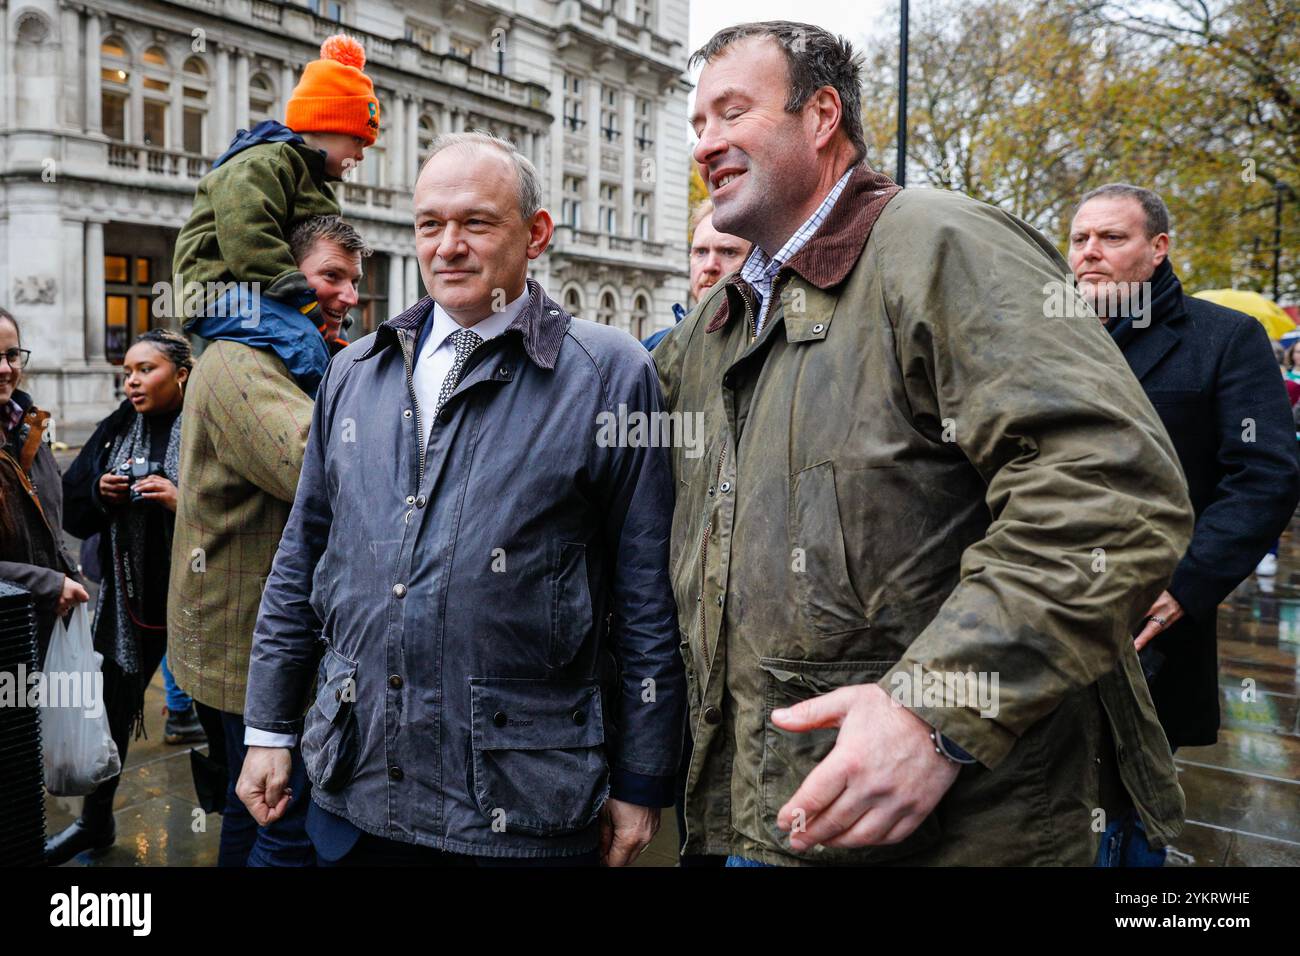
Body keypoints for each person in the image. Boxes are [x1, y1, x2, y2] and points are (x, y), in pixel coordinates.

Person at [653, 21, 1195, 866]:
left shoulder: (939, 243)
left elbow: (1110, 489)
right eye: (697, 124)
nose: (707, 143)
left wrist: (929, 712)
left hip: (964, 832)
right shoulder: (723, 318)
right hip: (776, 820)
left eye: (731, 113)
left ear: (822, 114)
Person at [237, 131, 685, 867]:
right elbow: (303, 557)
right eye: (429, 224)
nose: (448, 246)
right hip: (358, 793)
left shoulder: (608, 374)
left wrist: (642, 777)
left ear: (535, 233)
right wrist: (268, 728)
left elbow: (644, 594)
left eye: (476, 222)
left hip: (522, 806)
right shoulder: (355, 371)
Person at [1068, 184, 1300, 863]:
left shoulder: (1222, 338)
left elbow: (1265, 475)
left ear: (1158, 247)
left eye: (1112, 238)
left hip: (1151, 620)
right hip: (1043, 604)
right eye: (1081, 239)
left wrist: (1187, 586)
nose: (1091, 253)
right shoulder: (1043, 334)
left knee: (1133, 796)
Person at [167, 214, 370, 867]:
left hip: (257, 639)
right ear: (283, 275)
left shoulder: (295, 354)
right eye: (331, 276)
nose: (349, 295)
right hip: (248, 644)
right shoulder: (239, 362)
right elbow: (317, 462)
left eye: (355, 281)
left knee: (249, 807)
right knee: (285, 824)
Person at [47, 330, 193, 865]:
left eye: (146, 369)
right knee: (112, 711)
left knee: (224, 724)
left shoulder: (205, 422)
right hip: (132, 608)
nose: (132, 380)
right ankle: (96, 821)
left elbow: (241, 510)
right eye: (127, 370)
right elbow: (71, 509)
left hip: (202, 603)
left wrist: (182, 501)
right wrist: (99, 493)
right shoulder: (117, 428)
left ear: (181, 373)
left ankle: (245, 827)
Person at [171, 33, 377, 394]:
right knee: (300, 341)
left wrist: (327, 321)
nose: (360, 155)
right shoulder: (261, 163)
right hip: (214, 290)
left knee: (323, 338)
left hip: (254, 289)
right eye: (358, 140)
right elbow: (248, 234)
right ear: (326, 125)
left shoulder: (317, 187)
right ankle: (327, 410)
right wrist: (302, 297)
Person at [0, 309, 87, 665]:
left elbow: (49, 526)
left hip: (41, 630)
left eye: (12, 355)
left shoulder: (30, 425)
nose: (5, 369)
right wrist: (45, 584)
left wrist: (67, 574)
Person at [644, 200, 751, 351]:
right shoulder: (651, 353)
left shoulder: (773, 349)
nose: (709, 266)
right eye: (701, 252)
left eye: (728, 252)